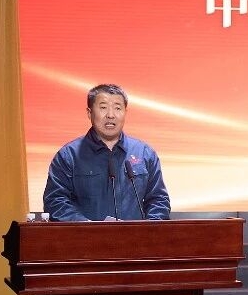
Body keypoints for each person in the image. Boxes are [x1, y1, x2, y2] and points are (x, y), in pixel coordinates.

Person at [43, 83, 171, 221]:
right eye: (103, 108)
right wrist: (88, 227)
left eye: (117, 108)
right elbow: (55, 202)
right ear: (89, 113)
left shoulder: (145, 153)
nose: (111, 115)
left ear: (125, 112)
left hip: (136, 235)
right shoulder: (68, 156)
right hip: (85, 234)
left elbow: (159, 201)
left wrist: (148, 229)